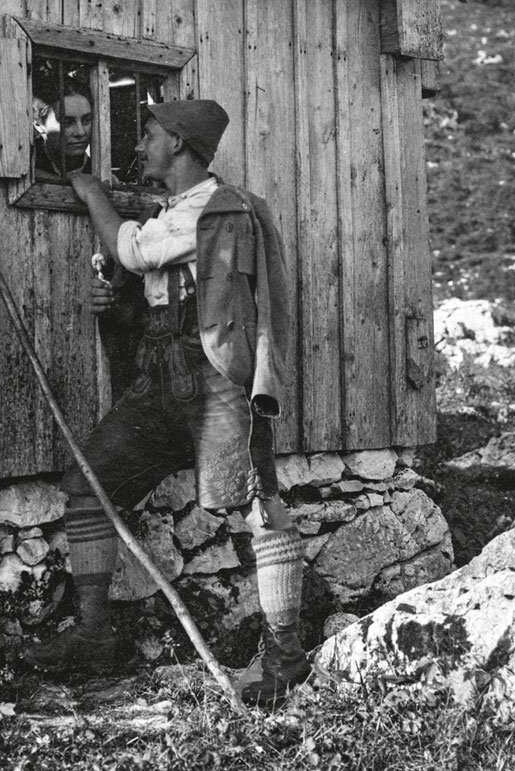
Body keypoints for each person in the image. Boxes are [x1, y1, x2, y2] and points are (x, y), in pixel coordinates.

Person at [22, 99, 310, 705]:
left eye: (149, 134)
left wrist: (90, 189)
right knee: (89, 481)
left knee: (258, 503)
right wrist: (119, 307)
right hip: (160, 382)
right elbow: (162, 302)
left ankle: (285, 656)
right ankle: (97, 634)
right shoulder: (172, 213)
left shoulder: (214, 207)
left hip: (215, 383)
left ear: (177, 144)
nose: (141, 144)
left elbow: (130, 250)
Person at [33, 84, 92, 179]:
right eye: (67, 122)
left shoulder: (99, 170)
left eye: (86, 120)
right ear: (38, 125)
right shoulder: (25, 165)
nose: (80, 132)